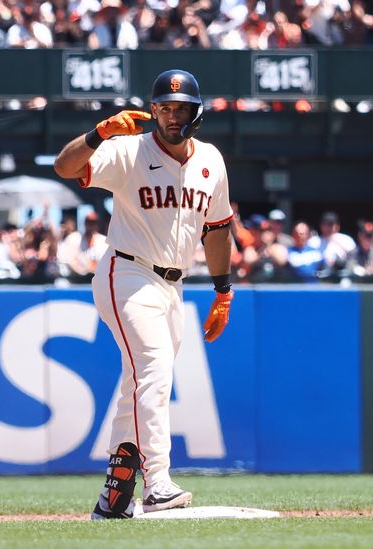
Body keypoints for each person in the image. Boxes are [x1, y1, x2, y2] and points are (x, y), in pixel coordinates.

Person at [53, 69, 234, 520]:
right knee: (152, 369)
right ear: (153, 110)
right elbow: (64, 167)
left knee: (138, 383)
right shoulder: (130, 149)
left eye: (181, 109)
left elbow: (217, 229)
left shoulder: (211, 160)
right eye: (164, 108)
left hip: (174, 286)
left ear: (197, 112)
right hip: (127, 272)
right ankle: (157, 482)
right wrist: (98, 134)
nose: (172, 116)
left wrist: (223, 289)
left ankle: (115, 493)